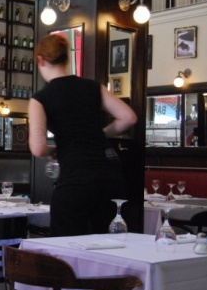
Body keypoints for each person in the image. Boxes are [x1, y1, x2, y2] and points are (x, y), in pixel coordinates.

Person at [28, 34, 137, 237]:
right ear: (67, 58)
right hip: (110, 175)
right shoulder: (93, 87)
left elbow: (38, 148)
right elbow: (128, 117)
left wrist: (56, 149)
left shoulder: (41, 98)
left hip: (75, 177)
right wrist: (101, 133)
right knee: (110, 243)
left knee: (65, 244)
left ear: (40, 60)